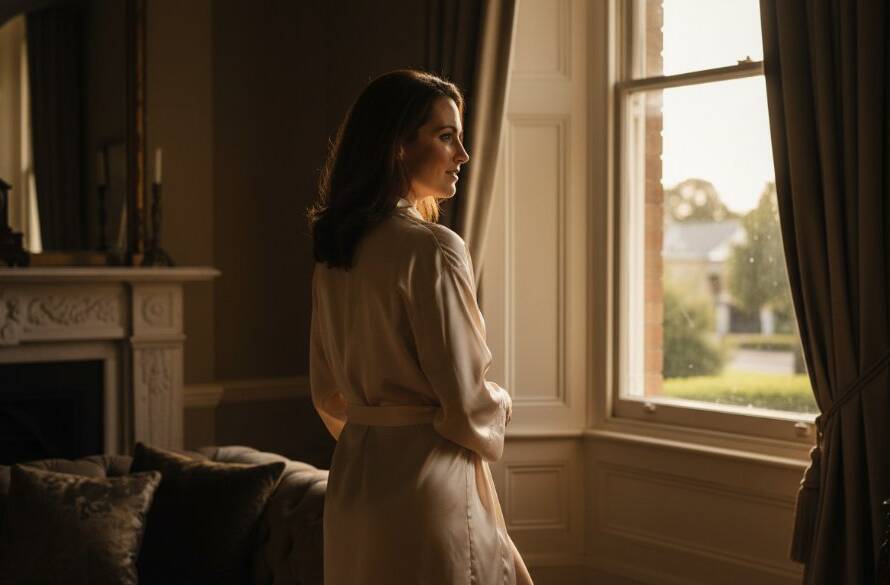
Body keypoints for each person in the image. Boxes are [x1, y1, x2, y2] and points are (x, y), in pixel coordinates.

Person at [307, 69, 533, 585]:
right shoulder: (432, 248)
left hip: (356, 484)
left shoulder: (335, 251)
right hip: (428, 484)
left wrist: (378, 431)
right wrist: (501, 402)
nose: (463, 155)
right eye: (446, 135)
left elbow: (327, 393)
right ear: (398, 146)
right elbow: (466, 400)